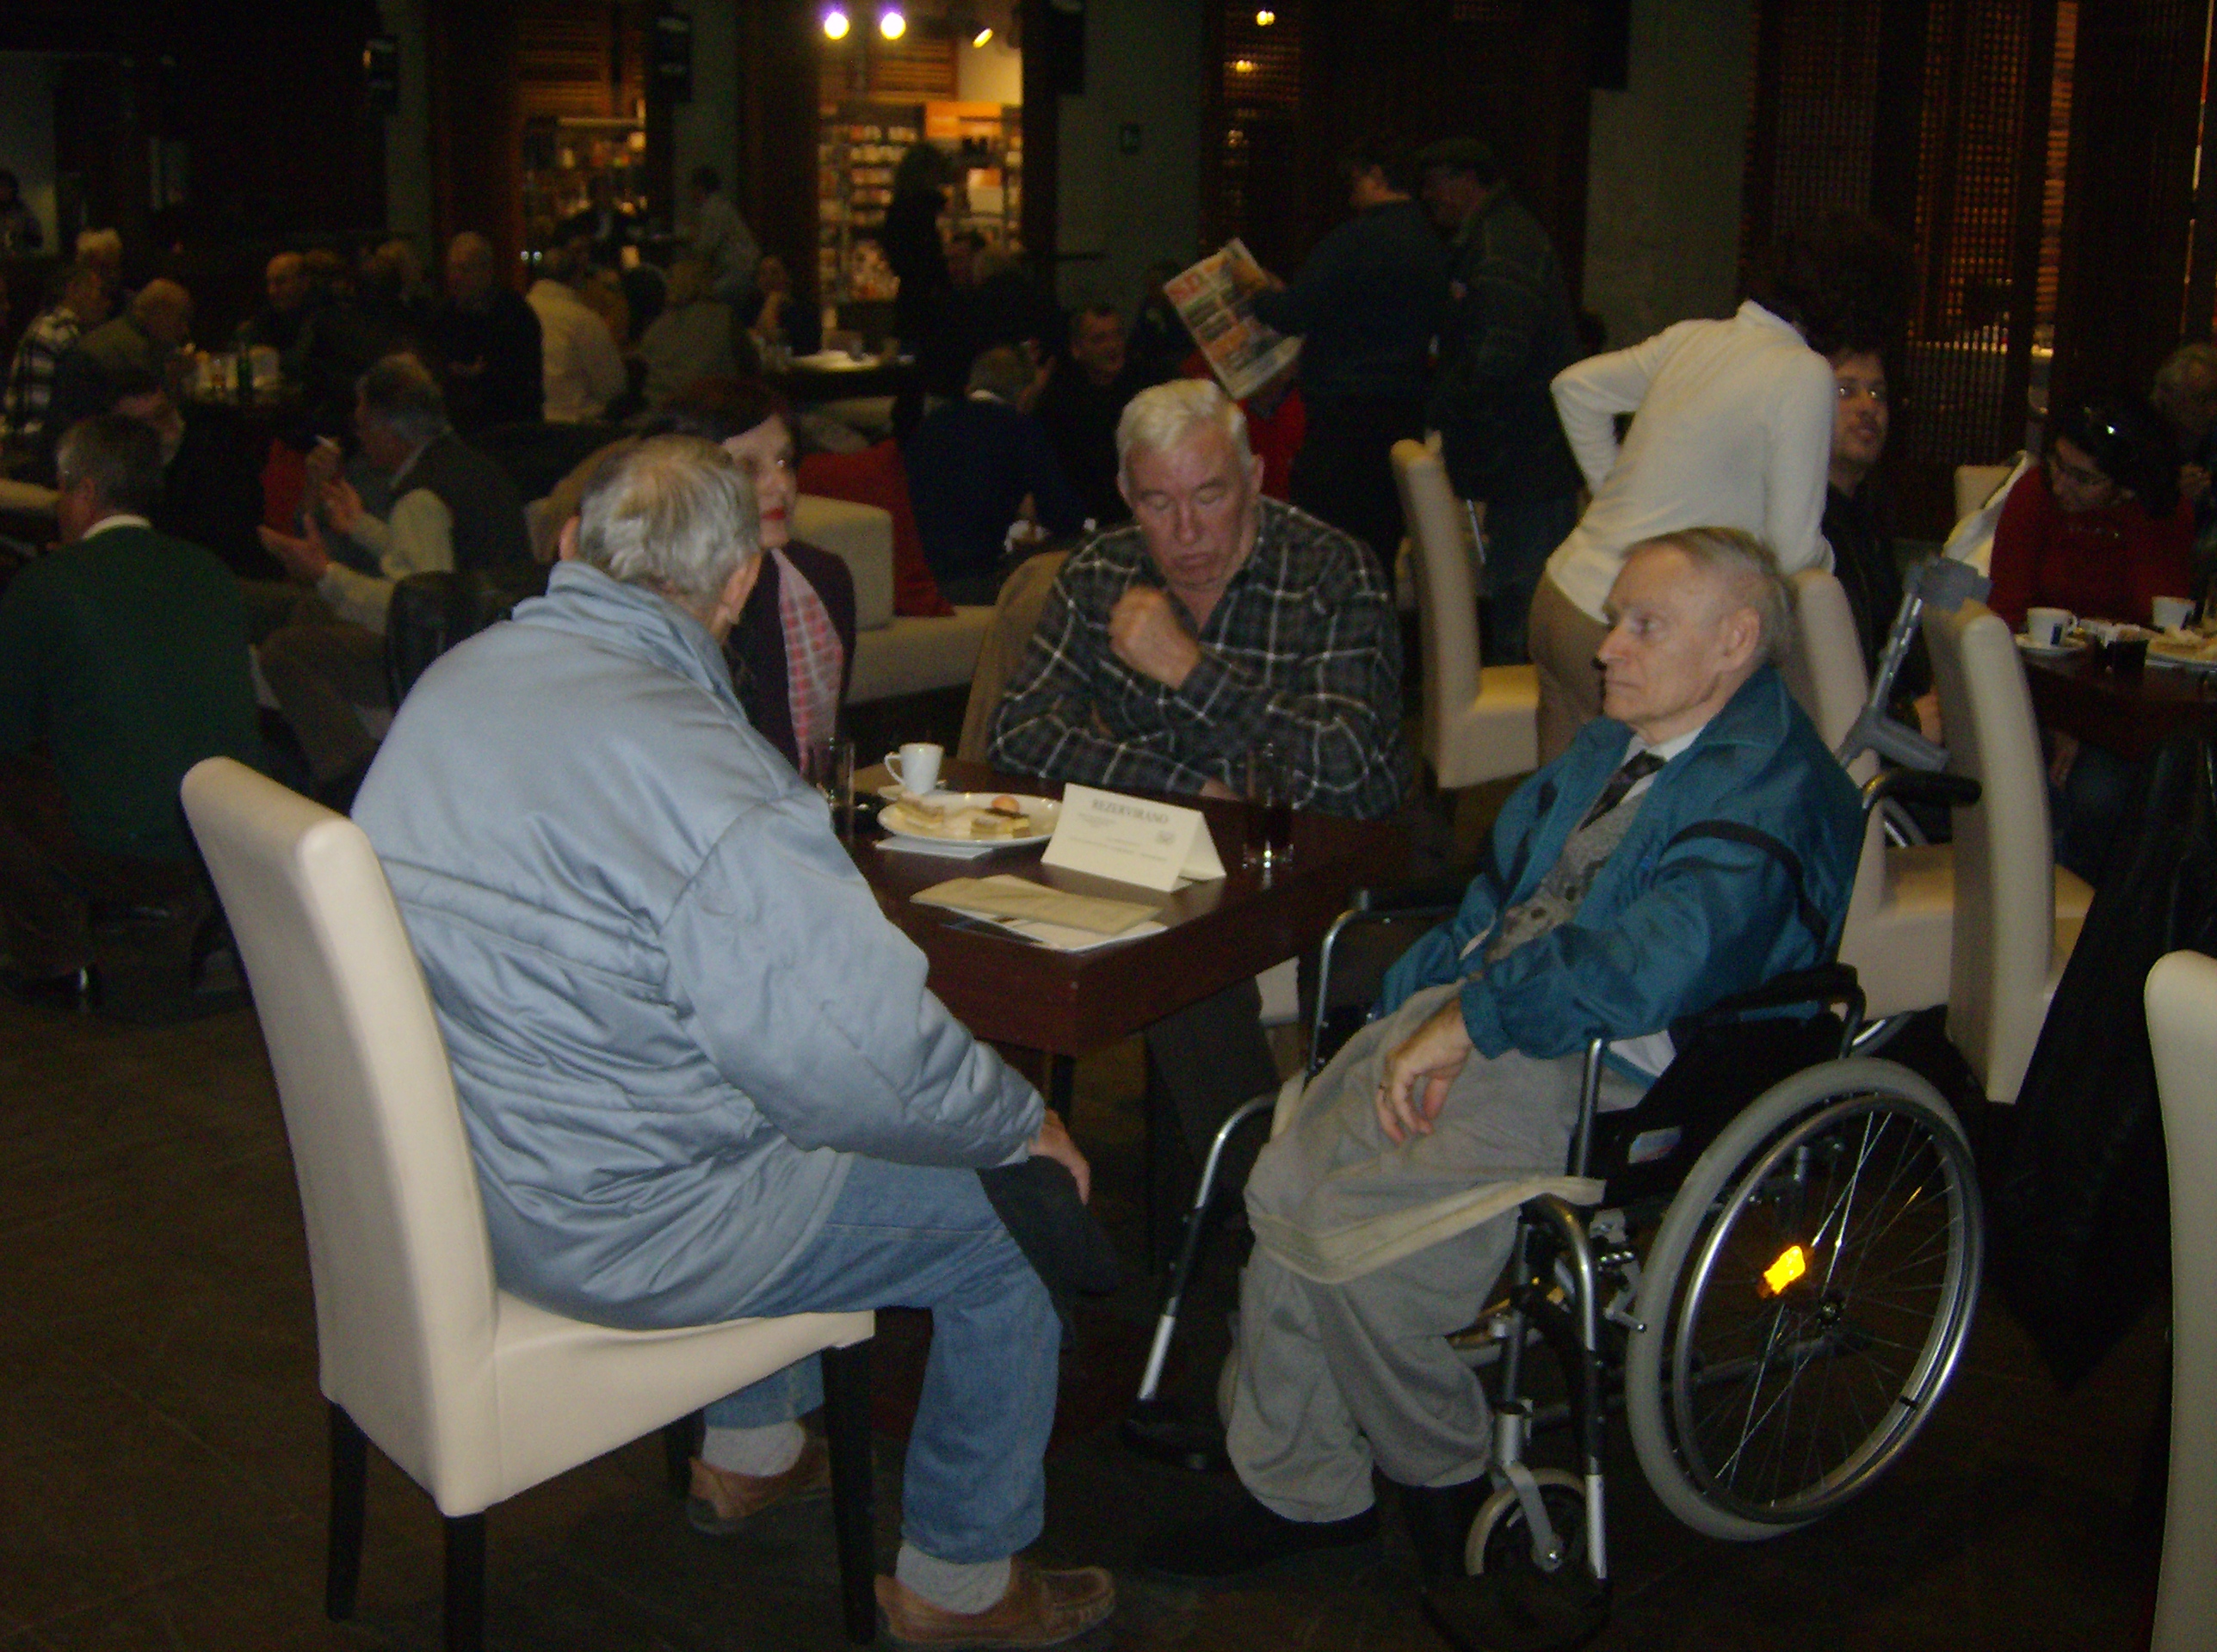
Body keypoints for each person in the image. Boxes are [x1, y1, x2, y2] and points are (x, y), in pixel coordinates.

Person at [353, 435, 1116, 1649]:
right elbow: (861, 1058)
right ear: (742, 581)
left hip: (451, 1179)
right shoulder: (715, 782)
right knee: (1009, 1218)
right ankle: (964, 1583)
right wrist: (1022, 1121)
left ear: (571, 544)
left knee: (733, 1079)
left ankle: (753, 1451)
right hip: (612, 1223)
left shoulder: (453, 687)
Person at [1140, 527, 1862, 1585]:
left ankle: (1441, 1469)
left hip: (1609, 1066)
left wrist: (1467, 1022)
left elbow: (1654, 965)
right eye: (1613, 621)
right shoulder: (1612, 748)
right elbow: (1499, 904)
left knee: (1358, 1244)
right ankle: (1300, 1485)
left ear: (1734, 641)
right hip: (1500, 1014)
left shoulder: (1772, 788)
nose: (1605, 648)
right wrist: (1407, 1014)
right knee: (1282, 1184)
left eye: (1642, 625)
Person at [989, 378, 1410, 1162]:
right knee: (1163, 958)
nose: (1186, 531)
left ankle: (1285, 1185)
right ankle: (1239, 1189)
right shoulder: (1101, 571)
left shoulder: (1332, 572)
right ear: (1126, 495)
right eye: (1157, 503)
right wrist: (1189, 789)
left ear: (1254, 478)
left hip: (1329, 864)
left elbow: (1346, 781)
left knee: (1320, 968)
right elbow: (1018, 736)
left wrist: (1190, 669)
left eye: (1210, 495)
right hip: (1179, 867)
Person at [1530, 211, 1912, 763]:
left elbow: (1575, 390)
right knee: (1678, 800)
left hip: (1560, 598)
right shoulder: (1800, 372)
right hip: (1630, 626)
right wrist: (1831, 564)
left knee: (1559, 807)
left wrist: (1612, 493)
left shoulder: (1696, 338)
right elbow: (1791, 552)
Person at [0, 414, 261, 1008]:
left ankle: (54, 962)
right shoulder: (210, 572)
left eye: (61, 488)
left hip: (126, 845)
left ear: (85, 492)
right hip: (228, 838)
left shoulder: (46, 585)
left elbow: (8, 728)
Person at [529, 377, 857, 771]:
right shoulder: (642, 594)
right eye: (748, 467)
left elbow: (826, 753)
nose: (780, 484)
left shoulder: (822, 580)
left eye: (785, 461)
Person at [256, 355, 528, 795]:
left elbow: (414, 610)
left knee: (284, 652)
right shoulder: (467, 465)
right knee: (310, 612)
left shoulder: (419, 498)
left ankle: (351, 779)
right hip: (497, 637)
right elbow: (436, 563)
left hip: (452, 661)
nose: (359, 438)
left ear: (390, 431)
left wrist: (326, 573)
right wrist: (361, 528)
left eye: (363, 426)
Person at [1415, 137, 1583, 665]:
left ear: (1468, 179)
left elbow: (1498, 354)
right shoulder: (1498, 234)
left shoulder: (1499, 246)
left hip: (1526, 454)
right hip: (1524, 454)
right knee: (1517, 590)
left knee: (1524, 601)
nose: (1428, 195)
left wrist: (1446, 407)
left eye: (1435, 182)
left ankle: (1523, 704)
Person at [1247, 138, 1449, 568]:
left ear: (1376, 177)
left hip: (1343, 418)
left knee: (1328, 539)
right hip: (1405, 410)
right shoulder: (1431, 241)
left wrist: (1257, 293)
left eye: (1355, 179)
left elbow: (1293, 314)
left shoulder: (1353, 241)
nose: (1351, 192)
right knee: (1380, 539)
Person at [1988, 395, 2190, 630]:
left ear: (2128, 486)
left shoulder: (2161, 511)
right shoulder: (2036, 492)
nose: (2059, 486)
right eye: (2058, 463)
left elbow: (2164, 617)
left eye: (2083, 478)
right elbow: (2007, 605)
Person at [905, 347, 1087, 604]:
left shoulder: (930, 425)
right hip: (978, 579)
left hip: (921, 574)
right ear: (1025, 395)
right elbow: (1067, 517)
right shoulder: (1018, 429)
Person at [42, 280, 195, 476]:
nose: (184, 329)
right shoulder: (128, 352)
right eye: (180, 319)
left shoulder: (124, 339)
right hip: (96, 464)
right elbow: (149, 423)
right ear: (158, 312)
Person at [1034, 303, 1160, 526]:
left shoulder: (1149, 386)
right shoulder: (1062, 402)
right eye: (1099, 339)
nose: (1112, 346)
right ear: (1077, 349)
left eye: (1117, 335)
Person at [424, 231, 544, 433]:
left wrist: (480, 376)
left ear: (486, 271)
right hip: (457, 428)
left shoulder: (513, 314)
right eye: (452, 269)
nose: (455, 278)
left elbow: (522, 381)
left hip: (508, 429)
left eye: (463, 269)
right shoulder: (443, 315)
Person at [1, 261, 112, 453]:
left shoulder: (57, 327)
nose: (106, 303)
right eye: (100, 292)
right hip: (41, 445)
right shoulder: (59, 331)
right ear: (74, 289)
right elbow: (37, 418)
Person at [527, 242, 627, 424]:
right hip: (576, 425)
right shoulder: (583, 320)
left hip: (525, 422)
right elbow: (612, 387)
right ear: (576, 277)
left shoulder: (519, 312)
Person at [637, 256, 738, 410]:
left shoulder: (659, 326)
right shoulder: (724, 318)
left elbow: (643, 363)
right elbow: (748, 365)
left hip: (659, 406)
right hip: (709, 408)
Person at [688, 165, 762, 307]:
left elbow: (705, 249)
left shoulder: (712, 210)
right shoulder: (720, 207)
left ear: (699, 188)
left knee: (707, 298)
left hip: (740, 273)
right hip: (741, 270)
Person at [745, 253, 822, 360]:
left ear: (788, 277)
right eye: (763, 273)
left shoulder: (804, 310)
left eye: (775, 273)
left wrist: (773, 302)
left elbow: (773, 342)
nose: (768, 279)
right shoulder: (751, 307)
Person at [0, 169, 42, 253]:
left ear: (12, 189)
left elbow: (38, 241)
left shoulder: (22, 211)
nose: (2, 191)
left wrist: (20, 231)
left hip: (20, 258)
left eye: (5, 187)